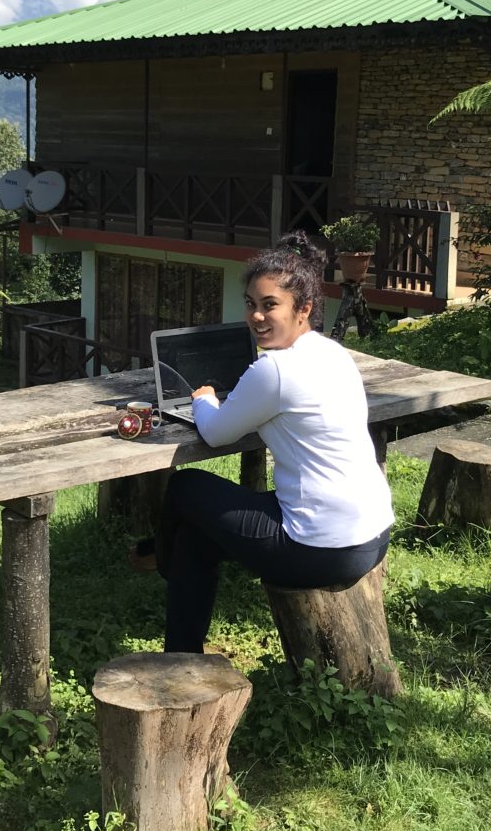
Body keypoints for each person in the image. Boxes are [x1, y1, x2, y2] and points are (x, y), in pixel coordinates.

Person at [157, 231, 393, 653]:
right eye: (251, 304)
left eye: (270, 305)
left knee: (184, 486)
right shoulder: (332, 352)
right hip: (372, 534)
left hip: (321, 548)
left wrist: (204, 399)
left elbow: (213, 432)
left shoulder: (275, 371)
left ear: (304, 309)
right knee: (195, 534)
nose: (256, 317)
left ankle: (157, 562)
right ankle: (181, 653)